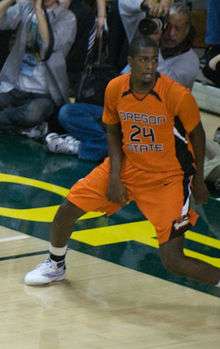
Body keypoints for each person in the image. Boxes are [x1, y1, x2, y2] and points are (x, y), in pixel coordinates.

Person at [24, 35, 220, 288]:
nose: (149, 66)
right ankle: (55, 264)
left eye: (153, 60)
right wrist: (115, 176)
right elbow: (114, 131)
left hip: (167, 179)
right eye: (143, 60)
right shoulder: (116, 88)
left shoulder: (176, 95)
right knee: (66, 211)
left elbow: (198, 134)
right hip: (128, 166)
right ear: (131, 62)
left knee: (173, 261)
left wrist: (199, 180)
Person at [0, 0, 76, 136]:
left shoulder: (67, 18)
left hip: (43, 94)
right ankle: (21, 125)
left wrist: (39, 10)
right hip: (14, 87)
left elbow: (47, 48)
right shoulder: (25, 7)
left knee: (33, 114)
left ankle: (9, 119)